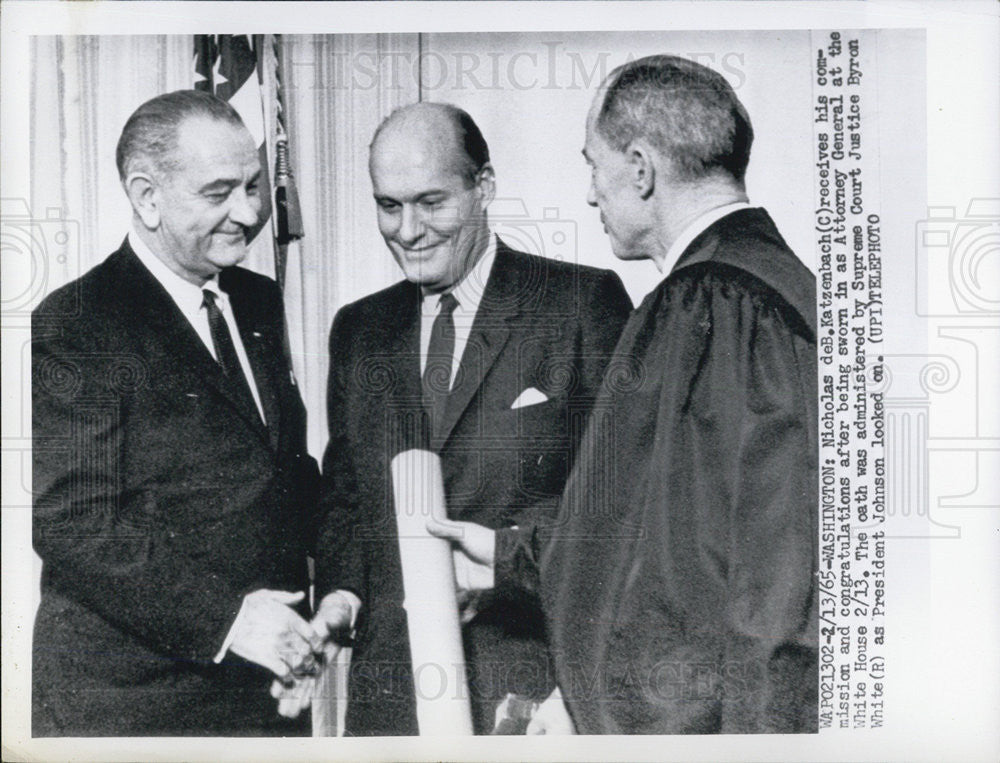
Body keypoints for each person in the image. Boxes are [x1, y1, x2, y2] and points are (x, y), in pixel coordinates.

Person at [31, 89, 353, 736]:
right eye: (219, 193)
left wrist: (341, 588)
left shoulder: (258, 301)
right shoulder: (78, 321)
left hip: (266, 695)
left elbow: (287, 473)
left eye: (255, 186)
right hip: (134, 707)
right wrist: (231, 621)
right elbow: (74, 523)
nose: (250, 211)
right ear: (147, 196)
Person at [310, 102, 632, 735]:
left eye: (432, 203)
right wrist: (342, 594)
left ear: (483, 187)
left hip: (530, 697)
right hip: (391, 706)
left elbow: (618, 505)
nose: (408, 230)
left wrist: (498, 572)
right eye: (389, 206)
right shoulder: (359, 330)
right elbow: (345, 495)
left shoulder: (581, 306)